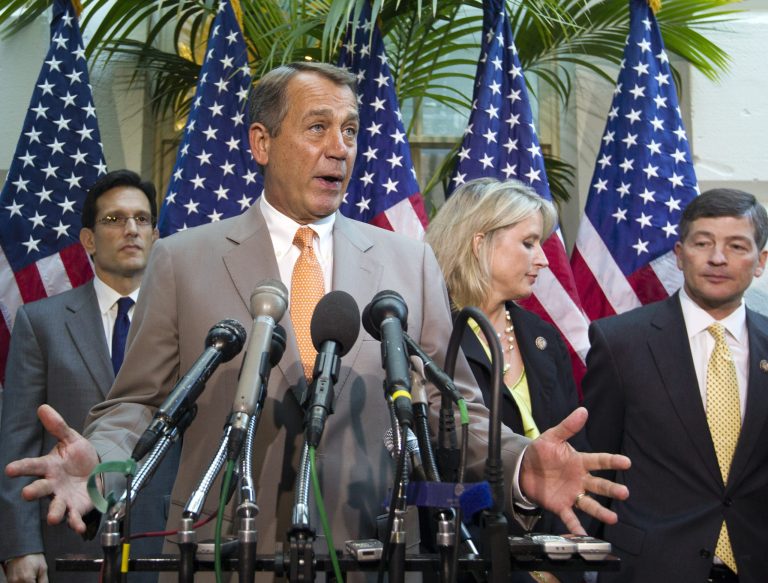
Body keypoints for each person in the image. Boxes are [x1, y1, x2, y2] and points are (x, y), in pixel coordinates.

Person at [5, 63, 629, 581]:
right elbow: (136, 403)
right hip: (225, 553)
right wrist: (104, 459)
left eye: (351, 130)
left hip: (377, 552)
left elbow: (451, 406)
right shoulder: (181, 259)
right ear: (261, 143)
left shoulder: (405, 261)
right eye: (318, 127)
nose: (340, 147)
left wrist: (520, 464)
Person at [0, 170, 180, 583]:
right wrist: (20, 545)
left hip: (164, 539)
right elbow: (17, 441)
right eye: (114, 219)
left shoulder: (185, 322)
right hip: (71, 536)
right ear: (88, 240)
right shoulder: (40, 322)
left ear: (155, 235)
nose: (131, 229)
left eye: (142, 219)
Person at [582, 188, 768, 582]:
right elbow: (596, 465)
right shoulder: (620, 343)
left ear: (760, 262)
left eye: (736, 246)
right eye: (704, 243)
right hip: (650, 568)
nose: (718, 258)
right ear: (680, 255)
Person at [427, 177, 588, 583]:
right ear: (479, 243)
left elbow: (573, 450)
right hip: (471, 556)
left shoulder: (543, 337)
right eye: (529, 243)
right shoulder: (432, 335)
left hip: (555, 553)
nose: (545, 260)